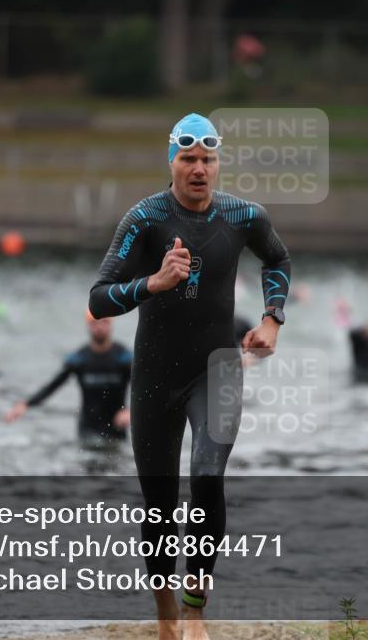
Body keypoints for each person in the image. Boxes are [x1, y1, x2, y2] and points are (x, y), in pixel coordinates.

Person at [88, 113, 291, 640]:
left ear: (217, 163)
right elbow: (98, 297)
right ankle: (164, 616)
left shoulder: (244, 215)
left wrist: (272, 319)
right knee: (159, 501)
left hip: (217, 369)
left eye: (207, 159)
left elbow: (278, 259)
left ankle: (195, 609)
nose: (199, 169)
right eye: (188, 160)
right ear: (172, 163)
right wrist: (152, 283)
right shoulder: (145, 218)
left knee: (206, 474)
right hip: (155, 375)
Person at [4, 310, 132, 447]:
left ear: (111, 325)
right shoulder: (79, 359)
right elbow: (53, 385)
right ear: (88, 326)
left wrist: (131, 412)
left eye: (105, 322)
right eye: (95, 323)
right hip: (88, 429)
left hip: (117, 428)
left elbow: (144, 388)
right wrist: (26, 404)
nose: (100, 327)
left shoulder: (124, 358)